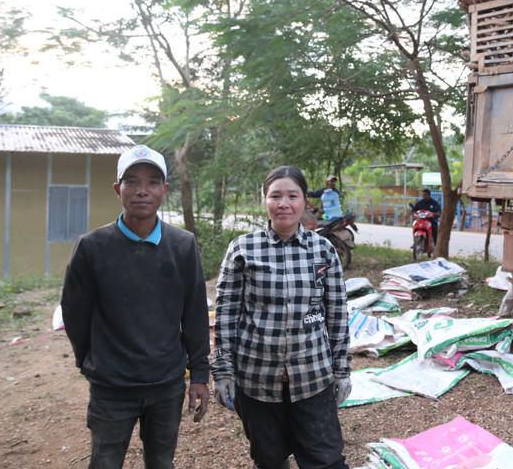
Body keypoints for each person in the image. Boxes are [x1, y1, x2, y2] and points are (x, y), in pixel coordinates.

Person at [60, 144, 211, 469]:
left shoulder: (182, 245)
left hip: (167, 384)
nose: (142, 190)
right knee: (105, 461)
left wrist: (199, 373)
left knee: (161, 462)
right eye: (132, 182)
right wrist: (90, 361)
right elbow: (74, 313)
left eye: (153, 182)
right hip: (111, 388)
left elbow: (195, 312)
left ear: (165, 190)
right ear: (118, 189)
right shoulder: (92, 247)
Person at [212, 166, 352, 469]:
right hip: (256, 381)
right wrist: (222, 369)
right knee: (269, 460)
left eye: (292, 196)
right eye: (275, 196)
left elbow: (338, 315)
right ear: (265, 200)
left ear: (304, 201)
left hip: (313, 378)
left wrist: (341, 370)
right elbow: (225, 315)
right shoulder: (242, 249)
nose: (284, 204)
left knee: (326, 460)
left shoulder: (323, 250)